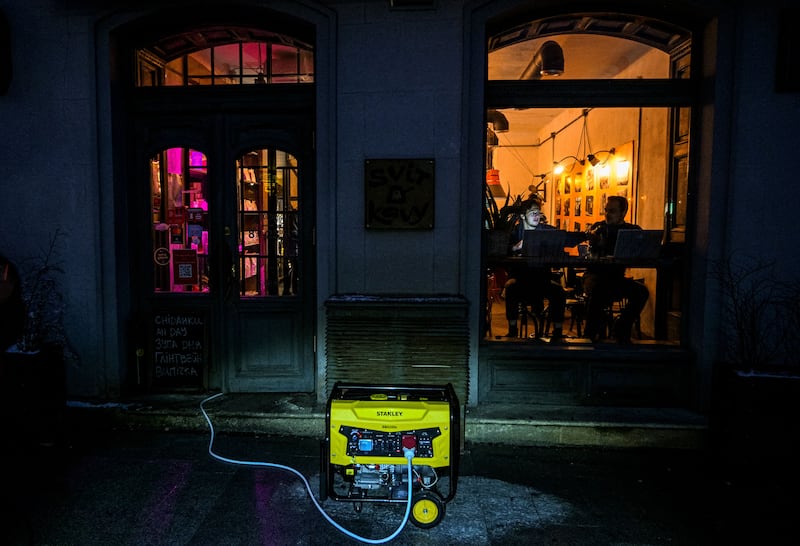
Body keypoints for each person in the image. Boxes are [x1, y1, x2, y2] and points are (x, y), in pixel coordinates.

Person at [582, 195, 649, 343]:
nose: (607, 214)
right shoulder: (598, 228)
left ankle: (622, 325)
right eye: (606, 210)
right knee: (599, 289)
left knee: (642, 292)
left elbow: (642, 245)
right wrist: (595, 242)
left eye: (612, 211)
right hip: (595, 276)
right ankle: (590, 334)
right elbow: (592, 251)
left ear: (623, 212)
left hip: (616, 279)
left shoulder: (631, 230)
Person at [501, 196, 567, 343]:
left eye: (538, 213)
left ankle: (557, 331)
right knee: (510, 288)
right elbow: (502, 250)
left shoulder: (547, 231)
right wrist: (514, 248)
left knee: (559, 292)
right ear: (523, 216)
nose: (537, 216)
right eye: (533, 213)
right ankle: (512, 329)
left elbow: (562, 238)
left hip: (542, 278)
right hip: (520, 278)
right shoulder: (514, 232)